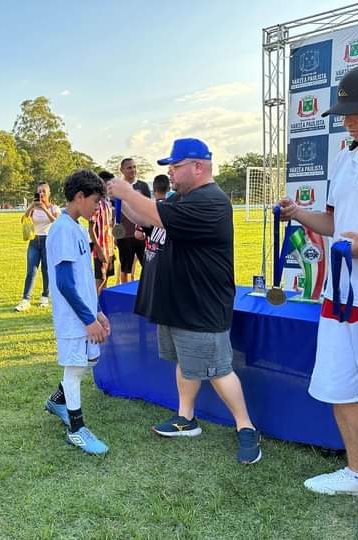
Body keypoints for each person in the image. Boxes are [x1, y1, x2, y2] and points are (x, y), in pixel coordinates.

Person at [279, 63, 358, 540]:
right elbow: (334, 223)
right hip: (339, 300)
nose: (346, 120)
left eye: (356, 111)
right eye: (342, 111)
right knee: (341, 392)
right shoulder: (346, 157)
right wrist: (299, 213)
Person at [108, 138, 261, 465]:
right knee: (185, 362)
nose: (172, 173)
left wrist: (127, 192)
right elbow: (147, 217)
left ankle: (246, 426)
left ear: (198, 166)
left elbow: (150, 211)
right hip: (179, 301)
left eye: (176, 167)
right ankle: (185, 418)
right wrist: (122, 196)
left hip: (201, 303)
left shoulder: (211, 201)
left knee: (218, 369)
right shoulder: (183, 198)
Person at [44, 169, 111, 455]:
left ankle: (57, 401)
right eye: (95, 201)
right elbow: (64, 283)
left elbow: (84, 278)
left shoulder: (78, 228)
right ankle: (76, 429)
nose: (98, 207)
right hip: (73, 319)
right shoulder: (61, 230)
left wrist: (97, 311)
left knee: (83, 365)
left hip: (84, 313)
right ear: (80, 197)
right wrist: (87, 319)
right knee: (74, 371)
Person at [15, 182, 60, 311]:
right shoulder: (33, 208)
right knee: (31, 271)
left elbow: (56, 222)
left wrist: (44, 209)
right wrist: (31, 207)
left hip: (48, 241)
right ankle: (25, 299)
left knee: (46, 270)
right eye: (39, 191)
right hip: (34, 241)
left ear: (48, 193)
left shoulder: (53, 208)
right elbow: (23, 220)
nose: (41, 194)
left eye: (43, 192)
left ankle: (45, 297)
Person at [114, 158, 151, 284]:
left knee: (147, 267)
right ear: (122, 170)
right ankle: (126, 297)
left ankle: (145, 294)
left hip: (141, 234)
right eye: (129, 167)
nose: (133, 170)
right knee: (126, 269)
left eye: (134, 167)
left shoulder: (143, 186)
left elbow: (148, 209)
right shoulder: (117, 188)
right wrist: (115, 235)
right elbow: (113, 213)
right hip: (124, 235)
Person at [89, 171, 116, 294]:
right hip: (100, 248)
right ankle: (93, 308)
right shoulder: (97, 203)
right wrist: (98, 249)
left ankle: (102, 309)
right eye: (109, 184)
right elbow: (91, 229)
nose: (111, 187)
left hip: (109, 247)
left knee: (107, 278)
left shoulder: (108, 202)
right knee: (100, 278)